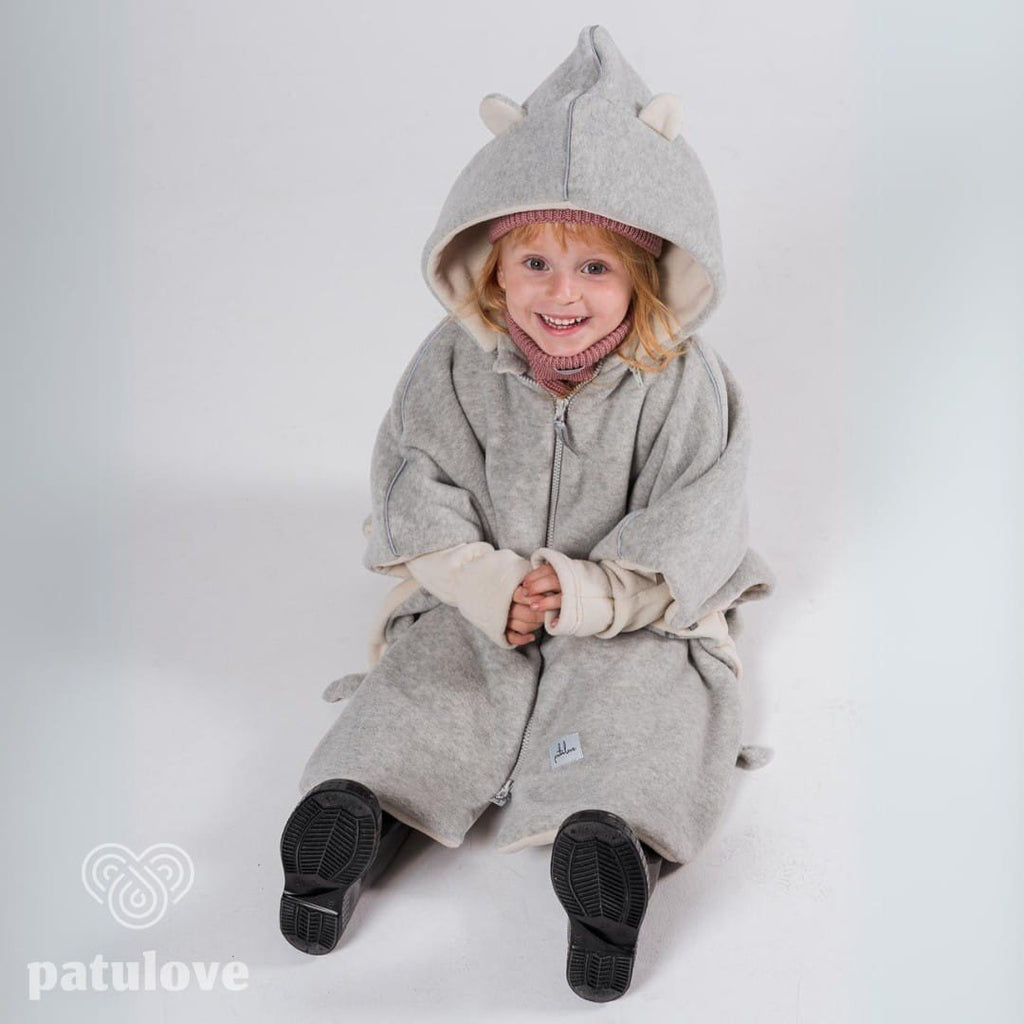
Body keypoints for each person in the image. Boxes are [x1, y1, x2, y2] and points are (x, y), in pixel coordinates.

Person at [278, 24, 775, 1002]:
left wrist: (589, 593)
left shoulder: (681, 386)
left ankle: (609, 846)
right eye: (534, 264)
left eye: (594, 269)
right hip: (483, 595)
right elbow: (412, 482)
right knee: (432, 675)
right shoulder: (453, 366)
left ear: (642, 276)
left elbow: (697, 516)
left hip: (627, 609)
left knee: (647, 702)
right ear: (489, 267)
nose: (561, 294)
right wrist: (486, 581)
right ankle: (355, 816)